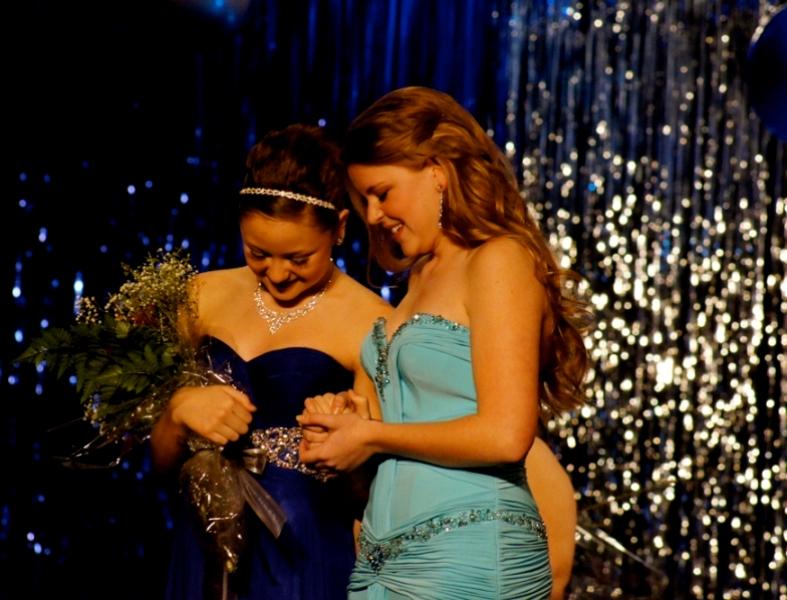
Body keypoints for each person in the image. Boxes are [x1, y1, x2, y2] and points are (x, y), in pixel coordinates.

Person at [297, 86, 591, 599]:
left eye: (382, 192)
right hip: (382, 562)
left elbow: (505, 434)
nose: (371, 214)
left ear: (438, 170)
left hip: (470, 556)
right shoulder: (418, 279)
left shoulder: (498, 259)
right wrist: (345, 420)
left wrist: (369, 436)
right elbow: (404, 416)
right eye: (361, 198)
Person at [149, 123, 390, 600]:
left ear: (340, 228)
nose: (277, 274)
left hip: (304, 549)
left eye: (299, 258)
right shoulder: (201, 296)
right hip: (202, 542)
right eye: (258, 253)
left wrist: (343, 446)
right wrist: (179, 410)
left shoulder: (372, 322)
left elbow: (374, 494)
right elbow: (159, 463)